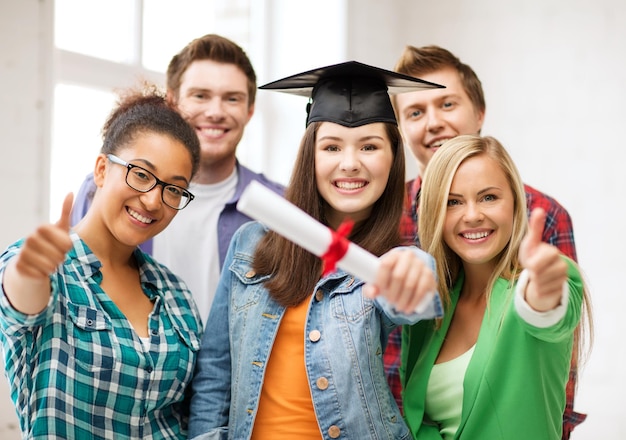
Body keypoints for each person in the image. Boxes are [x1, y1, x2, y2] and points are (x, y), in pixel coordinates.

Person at [188, 61, 445, 440]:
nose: (350, 163)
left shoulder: (395, 256)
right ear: (311, 155)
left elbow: (411, 295)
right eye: (331, 146)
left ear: (393, 157)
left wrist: (412, 274)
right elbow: (215, 370)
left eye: (370, 146)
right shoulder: (251, 244)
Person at [384, 44, 582, 438]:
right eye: (416, 112)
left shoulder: (544, 213)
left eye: (447, 104)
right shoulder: (386, 218)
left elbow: (551, 337)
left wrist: (543, 290)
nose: (433, 122)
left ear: (479, 112)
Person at [0, 86, 204, 439]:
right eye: (141, 174)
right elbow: (20, 301)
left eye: (173, 189)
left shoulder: (176, 294)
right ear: (101, 169)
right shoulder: (48, 269)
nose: (154, 201)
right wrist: (28, 271)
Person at [70, 34, 284, 324]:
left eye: (232, 99)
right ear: (172, 100)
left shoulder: (279, 208)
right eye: (200, 95)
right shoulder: (107, 189)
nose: (215, 112)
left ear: (250, 110)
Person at [401, 134, 592, 439]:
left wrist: (541, 288)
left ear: (515, 203)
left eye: (489, 197)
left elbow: (547, 311)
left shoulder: (532, 288)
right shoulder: (432, 309)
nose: (473, 215)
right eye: (453, 202)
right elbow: (419, 420)